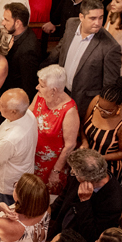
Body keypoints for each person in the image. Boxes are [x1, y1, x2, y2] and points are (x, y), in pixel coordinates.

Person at [40, 0, 122, 119]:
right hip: (61, 91)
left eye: (101, 18)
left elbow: (109, 86)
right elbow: (61, 47)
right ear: (81, 17)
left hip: (84, 102)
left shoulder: (110, 47)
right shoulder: (71, 24)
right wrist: (42, 67)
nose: (98, 23)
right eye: (93, 18)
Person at [49, 149, 122, 242]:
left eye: (75, 173)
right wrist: (46, 215)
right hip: (60, 232)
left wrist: (84, 202)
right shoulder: (79, 177)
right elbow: (63, 199)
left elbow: (92, 235)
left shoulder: (113, 200)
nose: (72, 173)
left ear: (88, 179)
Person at [0, 89, 39, 204]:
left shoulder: (10, 139)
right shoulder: (26, 114)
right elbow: (0, 130)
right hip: (19, 176)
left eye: (1, 104)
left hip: (5, 188)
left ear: (13, 111)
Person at [29, 65, 80, 196]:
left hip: (52, 165)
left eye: (41, 85)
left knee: (44, 198)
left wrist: (56, 171)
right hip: (31, 157)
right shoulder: (40, 96)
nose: (37, 87)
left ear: (53, 90)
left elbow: (70, 145)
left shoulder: (69, 111)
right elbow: (26, 117)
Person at [81, 77, 122, 190]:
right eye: (100, 108)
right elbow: (83, 126)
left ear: (118, 106)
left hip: (108, 168)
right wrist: (84, 141)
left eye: (108, 111)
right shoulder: (96, 101)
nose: (102, 112)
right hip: (88, 161)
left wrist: (100, 158)